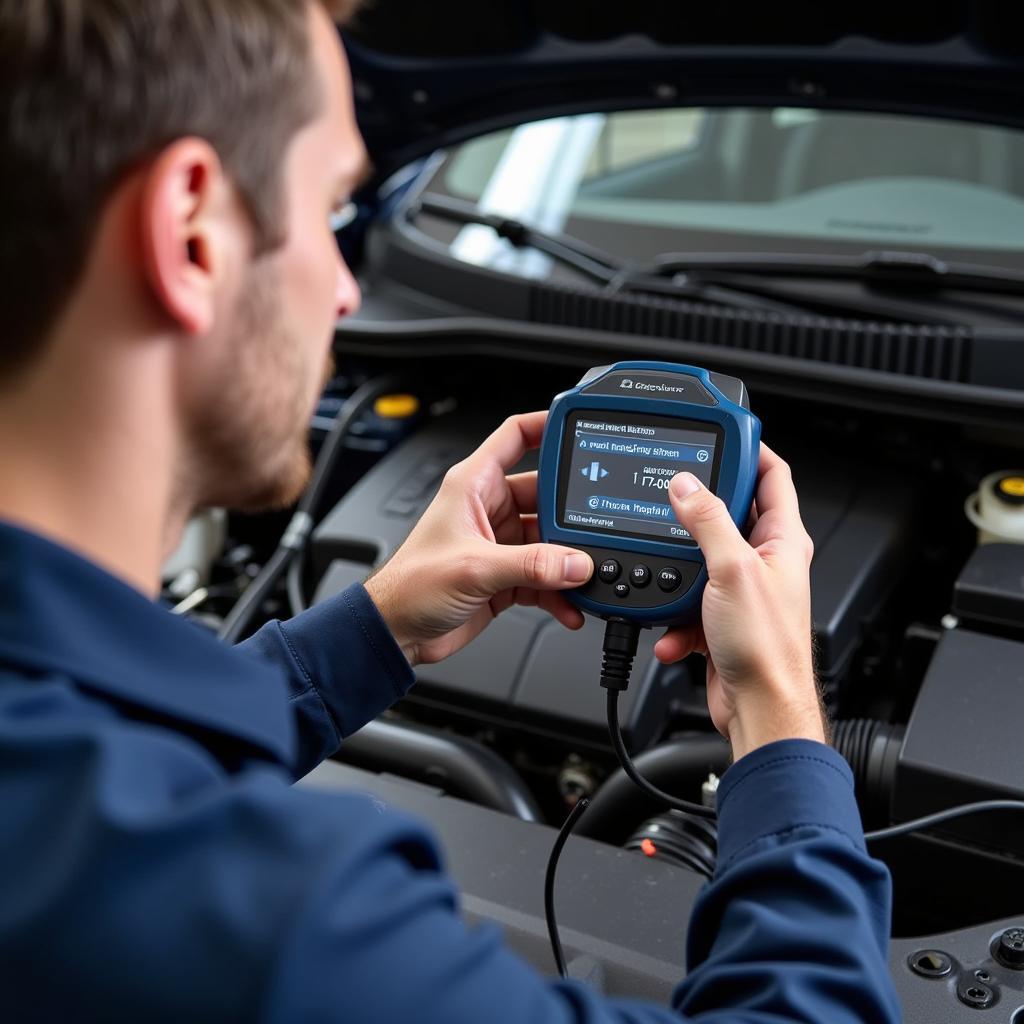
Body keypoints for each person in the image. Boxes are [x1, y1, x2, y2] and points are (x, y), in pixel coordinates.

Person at [0, 1, 900, 1021]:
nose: (345, 289)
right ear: (191, 232)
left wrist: (371, 629)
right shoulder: (270, 930)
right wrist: (785, 732)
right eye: (336, 210)